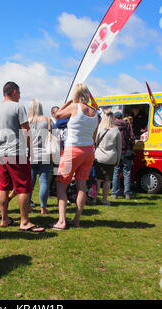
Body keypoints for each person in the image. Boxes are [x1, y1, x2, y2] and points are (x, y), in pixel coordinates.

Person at [0, 81, 45, 232]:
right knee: (23, 187)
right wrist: (30, 148)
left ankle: (4, 219)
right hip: (16, 152)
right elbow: (25, 129)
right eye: (20, 93)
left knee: (3, 187)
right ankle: (25, 221)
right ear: (14, 92)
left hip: (1, 152)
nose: (20, 95)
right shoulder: (18, 107)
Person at [51, 83, 99, 230]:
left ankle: (61, 221)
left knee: (61, 185)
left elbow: (57, 115)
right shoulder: (96, 113)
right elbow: (94, 136)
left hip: (73, 149)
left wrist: (69, 102)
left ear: (75, 95)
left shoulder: (75, 107)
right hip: (89, 151)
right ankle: (76, 220)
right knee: (81, 187)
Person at [28, 99, 53, 215]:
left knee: (30, 182)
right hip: (45, 154)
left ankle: (27, 205)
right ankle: (43, 207)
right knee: (44, 182)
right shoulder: (47, 120)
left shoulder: (27, 122)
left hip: (31, 155)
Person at [94, 111, 122, 205]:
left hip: (99, 156)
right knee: (107, 180)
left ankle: (94, 198)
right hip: (111, 158)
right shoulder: (116, 130)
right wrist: (117, 160)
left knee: (98, 179)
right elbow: (119, 147)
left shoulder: (100, 129)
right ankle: (104, 199)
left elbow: (96, 142)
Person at [111, 111, 135, 200]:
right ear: (121, 117)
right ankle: (127, 193)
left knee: (116, 173)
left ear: (115, 118)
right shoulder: (127, 125)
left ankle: (114, 193)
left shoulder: (112, 126)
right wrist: (130, 146)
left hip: (117, 152)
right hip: (127, 152)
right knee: (127, 173)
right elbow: (132, 138)